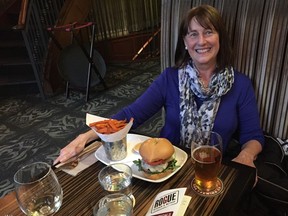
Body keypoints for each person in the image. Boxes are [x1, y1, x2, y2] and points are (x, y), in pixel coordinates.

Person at [54, 5, 264, 170]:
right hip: (167, 168)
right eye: (193, 34)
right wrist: (84, 138)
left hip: (212, 168)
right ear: (185, 41)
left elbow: (253, 136)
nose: (201, 41)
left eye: (208, 32)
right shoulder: (170, 79)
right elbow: (129, 115)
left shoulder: (240, 84)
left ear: (220, 38)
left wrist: (246, 157)